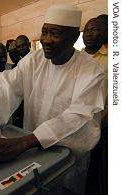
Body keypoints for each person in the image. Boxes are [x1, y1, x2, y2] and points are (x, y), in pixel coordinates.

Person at [0, 4, 105, 195]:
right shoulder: (34, 60)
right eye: (44, 32)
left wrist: (23, 143)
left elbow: (81, 118)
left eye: (55, 33)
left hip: (66, 161)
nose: (46, 40)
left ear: (74, 37)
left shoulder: (91, 71)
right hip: (28, 155)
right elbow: (6, 84)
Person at [83, 17, 108, 195]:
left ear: (104, 33)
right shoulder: (74, 58)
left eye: (95, 30)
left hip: (102, 125)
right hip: (75, 124)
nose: (90, 33)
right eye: (87, 30)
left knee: (97, 169)